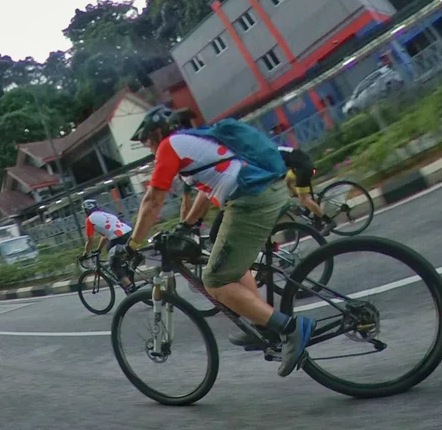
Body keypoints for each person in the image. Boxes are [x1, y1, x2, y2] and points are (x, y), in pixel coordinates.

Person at [125, 105, 315, 377]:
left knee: (214, 281)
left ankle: (291, 329)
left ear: (158, 132)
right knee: (230, 262)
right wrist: (186, 224)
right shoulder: (195, 141)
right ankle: (262, 322)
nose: (147, 146)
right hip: (262, 191)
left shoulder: (170, 146)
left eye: (146, 139)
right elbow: (208, 190)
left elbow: (153, 200)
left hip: (252, 198)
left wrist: (132, 244)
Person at [81, 200, 141, 290]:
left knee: (114, 265)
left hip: (118, 238)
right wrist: (98, 249)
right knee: (113, 251)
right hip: (129, 233)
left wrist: (85, 254)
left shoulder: (89, 220)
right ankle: (128, 270)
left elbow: (90, 241)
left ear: (86, 211)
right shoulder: (104, 214)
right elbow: (105, 237)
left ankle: (130, 288)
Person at [279, 145, 336, 232]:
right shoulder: (278, 149)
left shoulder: (272, 154)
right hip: (304, 165)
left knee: (304, 199)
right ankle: (308, 207)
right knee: (288, 181)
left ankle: (329, 222)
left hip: (302, 169)